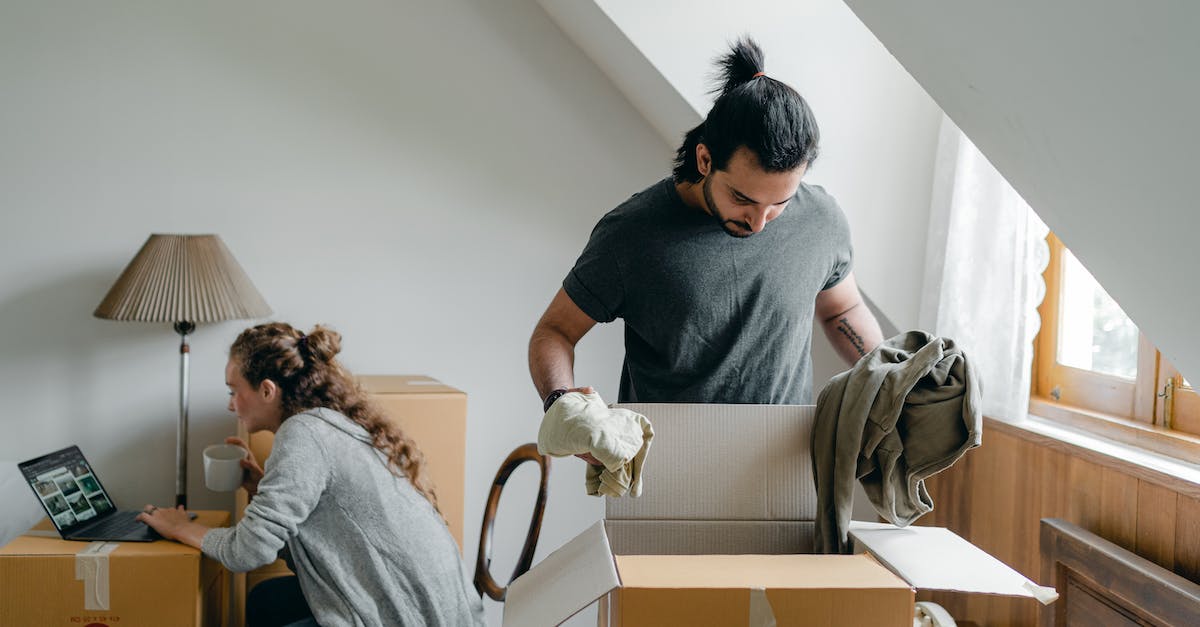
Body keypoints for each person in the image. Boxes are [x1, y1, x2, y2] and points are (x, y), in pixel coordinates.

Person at [529, 37, 884, 433]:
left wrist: (891, 378)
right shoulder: (630, 235)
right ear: (704, 159)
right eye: (742, 198)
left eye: (780, 203)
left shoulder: (820, 221)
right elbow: (555, 332)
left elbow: (841, 310)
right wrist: (563, 405)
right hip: (665, 457)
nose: (759, 222)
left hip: (784, 453)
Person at [138, 322, 484, 627]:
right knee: (266, 600)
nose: (230, 404)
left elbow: (247, 553)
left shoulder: (303, 435)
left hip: (411, 616)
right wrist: (262, 488)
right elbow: (317, 548)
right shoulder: (326, 423)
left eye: (234, 391)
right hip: (435, 609)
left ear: (267, 390)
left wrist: (181, 528)